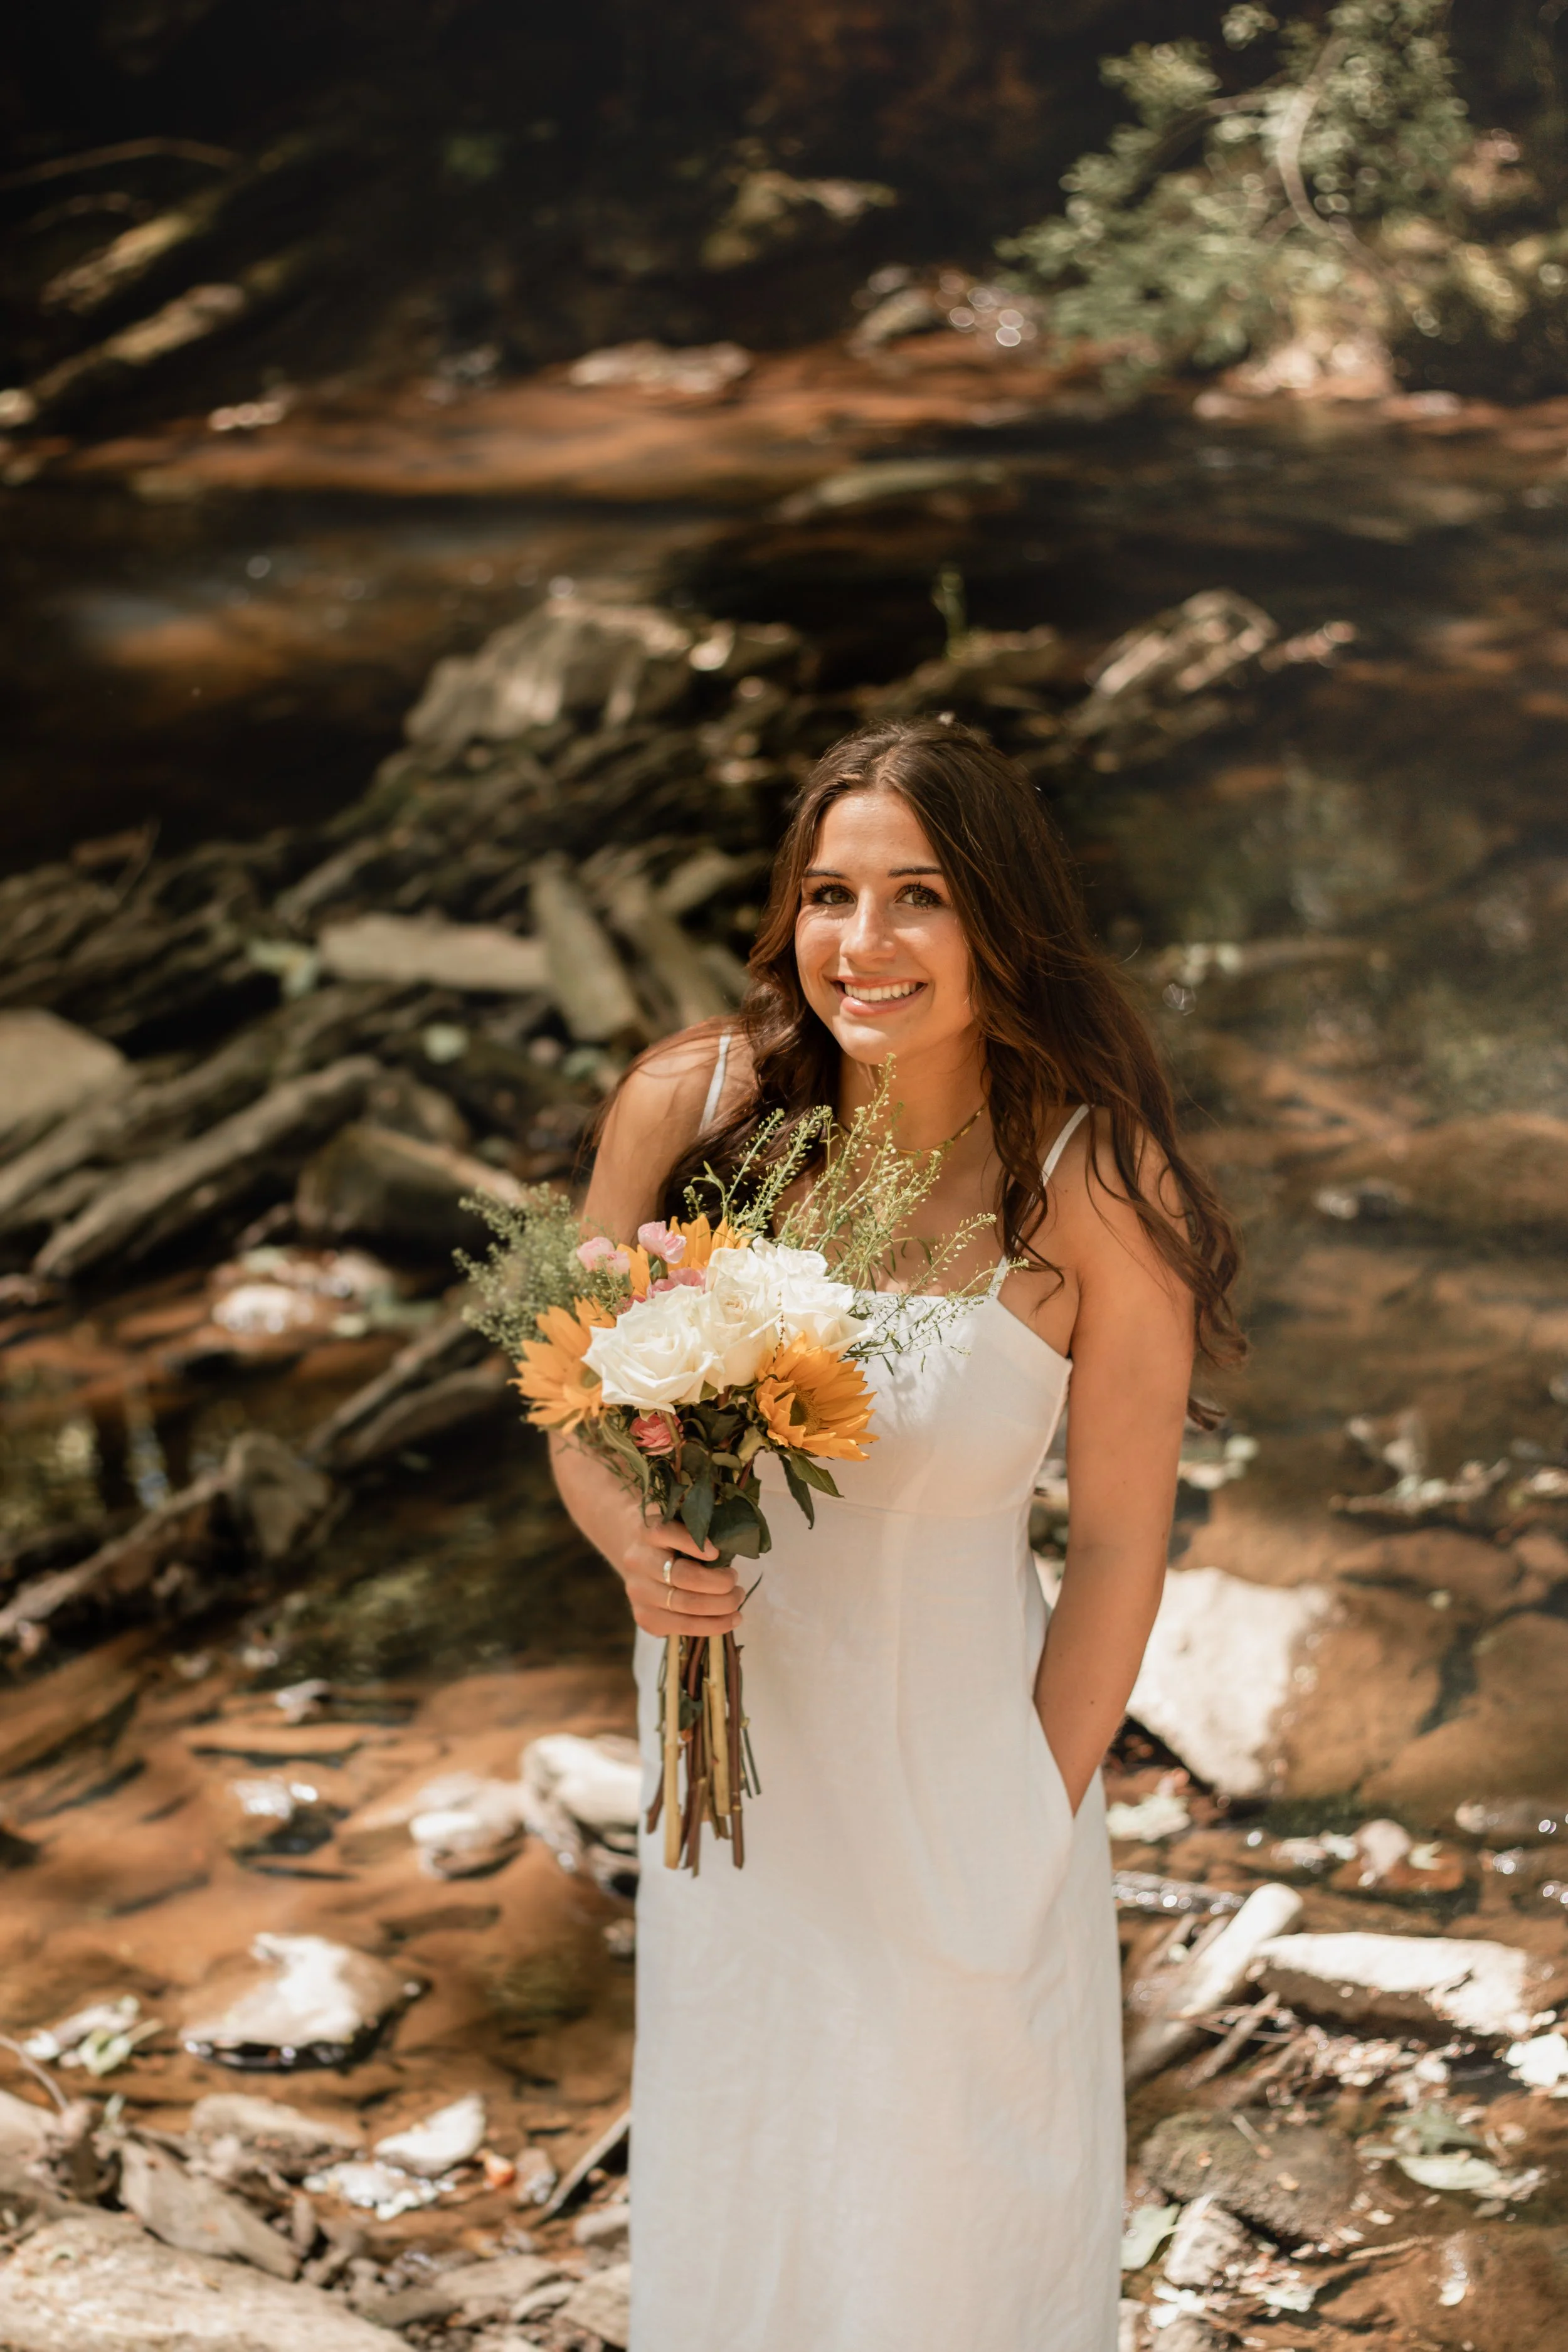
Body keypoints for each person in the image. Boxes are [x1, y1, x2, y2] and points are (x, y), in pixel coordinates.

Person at [549, 718, 1242, 2352]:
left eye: (915, 896)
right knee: (752, 2177)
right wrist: (627, 1543)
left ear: (999, 919)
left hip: (958, 1783)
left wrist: (1025, 1812)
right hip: (733, 1786)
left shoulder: (1093, 1189)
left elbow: (1124, 1549)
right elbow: (578, 1394)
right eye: (829, 894)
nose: (863, 946)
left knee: (940, 2226)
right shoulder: (692, 1108)